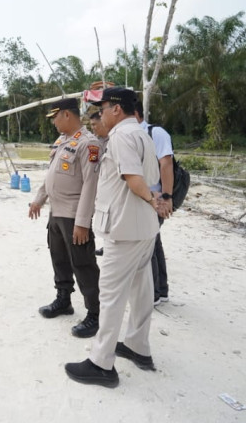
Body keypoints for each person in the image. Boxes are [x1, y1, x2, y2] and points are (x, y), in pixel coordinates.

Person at [65, 87, 169, 388]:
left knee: (110, 295)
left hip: (123, 227)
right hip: (142, 227)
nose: (100, 114)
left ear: (117, 109)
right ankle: (138, 347)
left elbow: (132, 178)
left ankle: (101, 363)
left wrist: (152, 199)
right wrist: (154, 202)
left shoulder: (122, 136)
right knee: (140, 289)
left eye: (103, 108)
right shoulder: (140, 133)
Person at [28, 97, 101, 339]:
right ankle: (63, 300)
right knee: (58, 259)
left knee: (83, 264)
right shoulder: (63, 141)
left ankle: (94, 314)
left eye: (55, 117)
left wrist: (82, 222)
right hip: (56, 213)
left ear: (67, 115)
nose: (53, 123)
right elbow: (51, 176)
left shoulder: (88, 143)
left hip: (73, 215)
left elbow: (90, 185)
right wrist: (39, 199)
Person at [134, 100, 174, 306]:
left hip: (155, 198)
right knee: (154, 243)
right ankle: (161, 290)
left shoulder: (155, 133)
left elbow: (166, 164)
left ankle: (154, 293)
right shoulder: (134, 134)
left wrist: (166, 197)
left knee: (147, 246)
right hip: (145, 198)